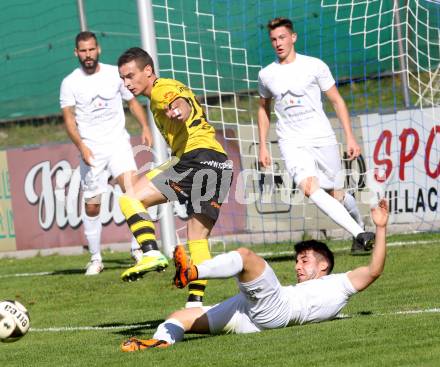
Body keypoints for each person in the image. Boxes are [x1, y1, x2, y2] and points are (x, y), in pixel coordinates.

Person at [120, 198, 388, 351]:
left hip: (278, 310)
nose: (297, 265)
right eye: (297, 260)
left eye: (304, 260)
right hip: (248, 317)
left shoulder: (339, 284)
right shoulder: (303, 286)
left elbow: (374, 270)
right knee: (180, 317)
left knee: (246, 256)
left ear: (324, 266)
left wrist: (380, 228)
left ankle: (193, 271)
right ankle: (159, 343)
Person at [117, 47, 233, 307]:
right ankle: (195, 304)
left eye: (130, 75)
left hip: (195, 158)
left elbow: (178, 101)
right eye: (122, 78)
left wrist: (179, 110)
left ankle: (150, 252)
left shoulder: (160, 89)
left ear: (148, 71)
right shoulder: (162, 91)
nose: (126, 83)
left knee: (130, 197)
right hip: (221, 164)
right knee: (197, 237)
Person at [257, 17, 373, 255]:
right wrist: (263, 145)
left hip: (322, 138)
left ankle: (359, 228)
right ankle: (360, 234)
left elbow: (337, 100)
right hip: (291, 141)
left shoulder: (314, 66)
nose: (278, 43)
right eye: (273, 40)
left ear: (293, 37)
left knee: (335, 195)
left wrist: (350, 137)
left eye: (282, 37)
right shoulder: (266, 74)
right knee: (310, 188)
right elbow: (263, 108)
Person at [59, 31, 159, 275]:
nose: (88, 54)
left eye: (91, 49)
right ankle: (95, 258)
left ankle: (139, 249)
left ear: (98, 49)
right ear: (76, 53)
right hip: (92, 150)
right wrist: (82, 146)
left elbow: (132, 103)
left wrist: (145, 126)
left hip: (118, 145)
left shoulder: (115, 73)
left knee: (134, 192)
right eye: (83, 51)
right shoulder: (70, 82)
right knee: (93, 205)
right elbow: (69, 120)